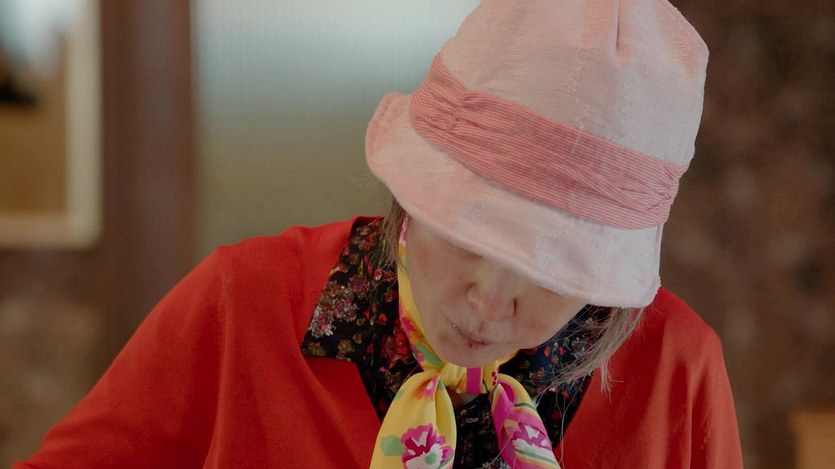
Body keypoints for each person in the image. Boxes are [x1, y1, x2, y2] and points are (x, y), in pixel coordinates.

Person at [15, 0, 743, 467]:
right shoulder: (245, 301)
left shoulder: (676, 369)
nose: (488, 302)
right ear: (412, 194)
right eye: (467, 235)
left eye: (552, 275)